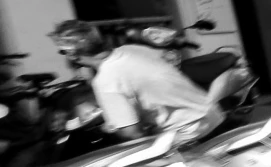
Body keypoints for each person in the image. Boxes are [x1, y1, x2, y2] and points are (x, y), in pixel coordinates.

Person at [53, 22, 222, 142]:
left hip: (188, 131)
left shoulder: (106, 80)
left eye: (62, 51)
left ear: (73, 54)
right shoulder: (132, 50)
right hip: (211, 113)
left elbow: (131, 133)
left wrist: (112, 128)